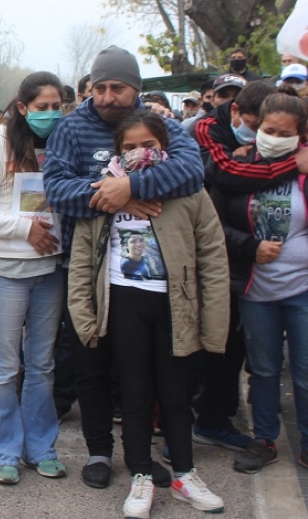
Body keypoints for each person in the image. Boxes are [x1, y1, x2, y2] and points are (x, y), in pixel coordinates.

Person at [44, 46, 205, 491]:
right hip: (88, 268)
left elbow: (192, 171)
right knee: (91, 362)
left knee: (138, 373)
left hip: (148, 276)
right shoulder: (71, 129)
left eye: (117, 87)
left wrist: (130, 184)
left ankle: (140, 455)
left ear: (136, 87)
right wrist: (119, 198)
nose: (108, 97)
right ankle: (98, 450)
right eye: (99, 88)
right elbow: (57, 190)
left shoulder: (161, 127)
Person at [68, 111, 228, 517]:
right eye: (130, 147)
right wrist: (85, 315)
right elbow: (83, 258)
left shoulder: (189, 191)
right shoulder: (103, 193)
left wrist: (214, 321)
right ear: (118, 151)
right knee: (136, 394)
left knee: (175, 395)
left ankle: (184, 475)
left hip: (176, 306)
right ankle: (140, 475)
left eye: (149, 146)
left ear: (164, 147)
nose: (140, 153)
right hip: (125, 304)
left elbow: (212, 256)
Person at [0, 71, 67, 485]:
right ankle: (3, 450)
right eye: (42, 108)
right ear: (23, 107)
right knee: (6, 367)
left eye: (57, 107)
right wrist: (24, 230)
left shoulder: (62, 143)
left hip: (50, 272)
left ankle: (41, 447)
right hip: (5, 271)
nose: (51, 114)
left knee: (42, 366)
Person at [192, 79, 303, 452]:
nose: (269, 137)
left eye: (280, 133)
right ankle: (250, 433)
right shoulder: (227, 152)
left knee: (290, 369)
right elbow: (216, 210)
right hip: (241, 280)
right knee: (244, 361)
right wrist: (250, 247)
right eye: (263, 130)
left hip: (289, 287)